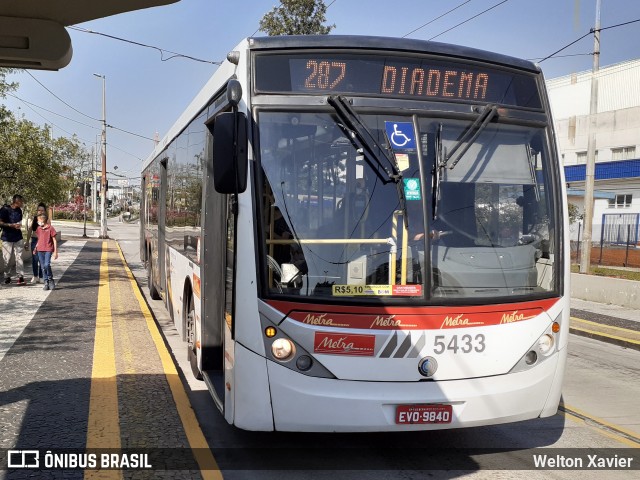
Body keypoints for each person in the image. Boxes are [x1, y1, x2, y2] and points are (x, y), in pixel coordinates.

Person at [0, 194, 26, 285]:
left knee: (19, 257)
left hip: (18, 237)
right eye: (21, 201)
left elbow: (18, 221)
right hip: (7, 237)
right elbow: (0, 222)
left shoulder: (19, 210)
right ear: (17, 201)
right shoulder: (5, 209)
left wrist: (18, 225)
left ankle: (20, 277)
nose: (22, 203)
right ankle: (7, 277)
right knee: (6, 259)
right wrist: (11, 225)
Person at [33, 212, 58, 291]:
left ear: (43, 220)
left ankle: (50, 279)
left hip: (48, 249)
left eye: (39, 220)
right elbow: (39, 239)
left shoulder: (51, 228)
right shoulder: (39, 229)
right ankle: (46, 282)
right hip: (40, 249)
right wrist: (35, 248)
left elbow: (54, 240)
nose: (38, 222)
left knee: (47, 265)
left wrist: (55, 251)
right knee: (43, 266)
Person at [29, 202, 47, 284]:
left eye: (42, 210)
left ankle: (41, 276)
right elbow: (30, 230)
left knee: (41, 259)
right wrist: (27, 241)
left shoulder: (47, 220)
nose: (40, 211)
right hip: (34, 240)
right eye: (39, 210)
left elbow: (49, 232)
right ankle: (35, 276)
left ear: (45, 211)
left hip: (43, 242)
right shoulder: (35, 219)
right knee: (35, 259)